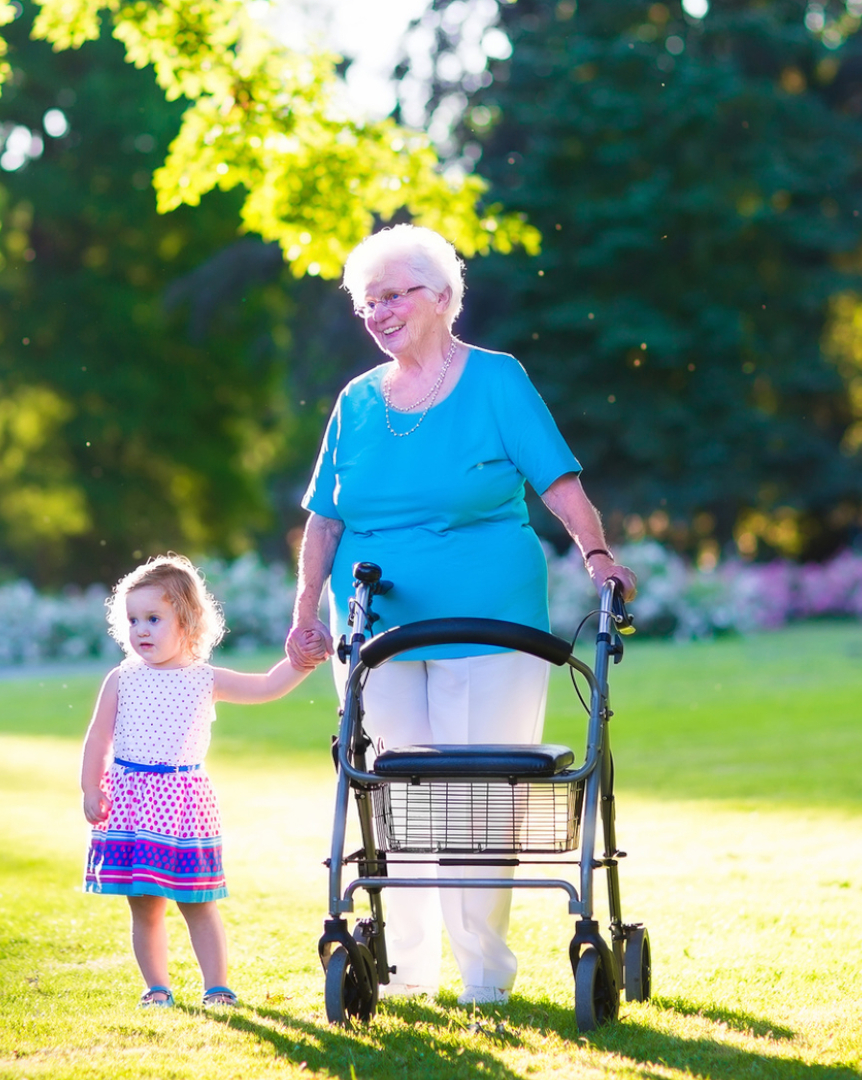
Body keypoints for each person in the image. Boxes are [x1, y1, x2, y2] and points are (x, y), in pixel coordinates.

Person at [286, 224, 639, 1006]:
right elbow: (325, 519)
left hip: (490, 623)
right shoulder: (355, 402)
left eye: (395, 294)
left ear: (442, 298)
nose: (379, 312)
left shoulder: (496, 381)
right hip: (377, 630)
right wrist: (305, 609)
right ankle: (407, 970)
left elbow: (557, 480)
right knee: (394, 794)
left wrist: (596, 555)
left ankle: (485, 975)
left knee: (478, 797)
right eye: (366, 301)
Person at [81, 554, 320, 1009]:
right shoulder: (122, 679)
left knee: (197, 901)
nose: (142, 630)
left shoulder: (203, 679)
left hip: (182, 803)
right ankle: (156, 987)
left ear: (188, 622)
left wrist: (303, 662)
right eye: (133, 620)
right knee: (144, 904)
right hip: (130, 803)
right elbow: (97, 738)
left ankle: (217, 987)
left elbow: (267, 686)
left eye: (154, 618)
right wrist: (91, 788)